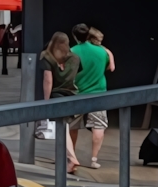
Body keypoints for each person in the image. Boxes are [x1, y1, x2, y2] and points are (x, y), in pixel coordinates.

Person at [71, 23, 114, 170]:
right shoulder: (102, 52)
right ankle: (94, 159)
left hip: (77, 93)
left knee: (72, 126)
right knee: (99, 126)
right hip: (99, 92)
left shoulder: (72, 51)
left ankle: (72, 157)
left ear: (74, 36)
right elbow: (110, 67)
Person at [40, 30, 81, 173]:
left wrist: (46, 102)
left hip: (57, 97)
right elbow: (76, 76)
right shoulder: (75, 58)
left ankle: (71, 157)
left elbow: (48, 80)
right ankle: (66, 159)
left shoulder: (47, 57)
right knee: (64, 128)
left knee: (62, 128)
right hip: (72, 96)